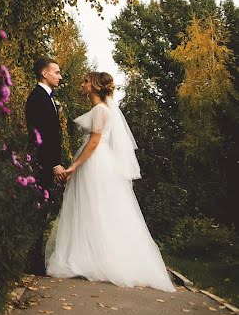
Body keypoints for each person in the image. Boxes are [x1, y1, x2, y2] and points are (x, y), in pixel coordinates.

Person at [45, 72, 175, 292]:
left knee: (94, 208)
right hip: (97, 162)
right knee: (92, 209)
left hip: (96, 163)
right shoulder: (103, 109)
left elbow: (95, 141)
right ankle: (88, 256)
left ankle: (94, 259)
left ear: (94, 86)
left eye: (86, 81)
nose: (82, 84)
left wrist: (74, 166)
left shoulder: (100, 110)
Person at [24, 57, 65, 274]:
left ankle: (34, 261)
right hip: (41, 164)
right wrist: (53, 164)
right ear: (44, 73)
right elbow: (42, 137)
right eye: (56, 72)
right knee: (37, 212)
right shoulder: (38, 98)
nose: (59, 76)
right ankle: (32, 263)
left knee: (40, 212)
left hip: (43, 163)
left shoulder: (46, 98)